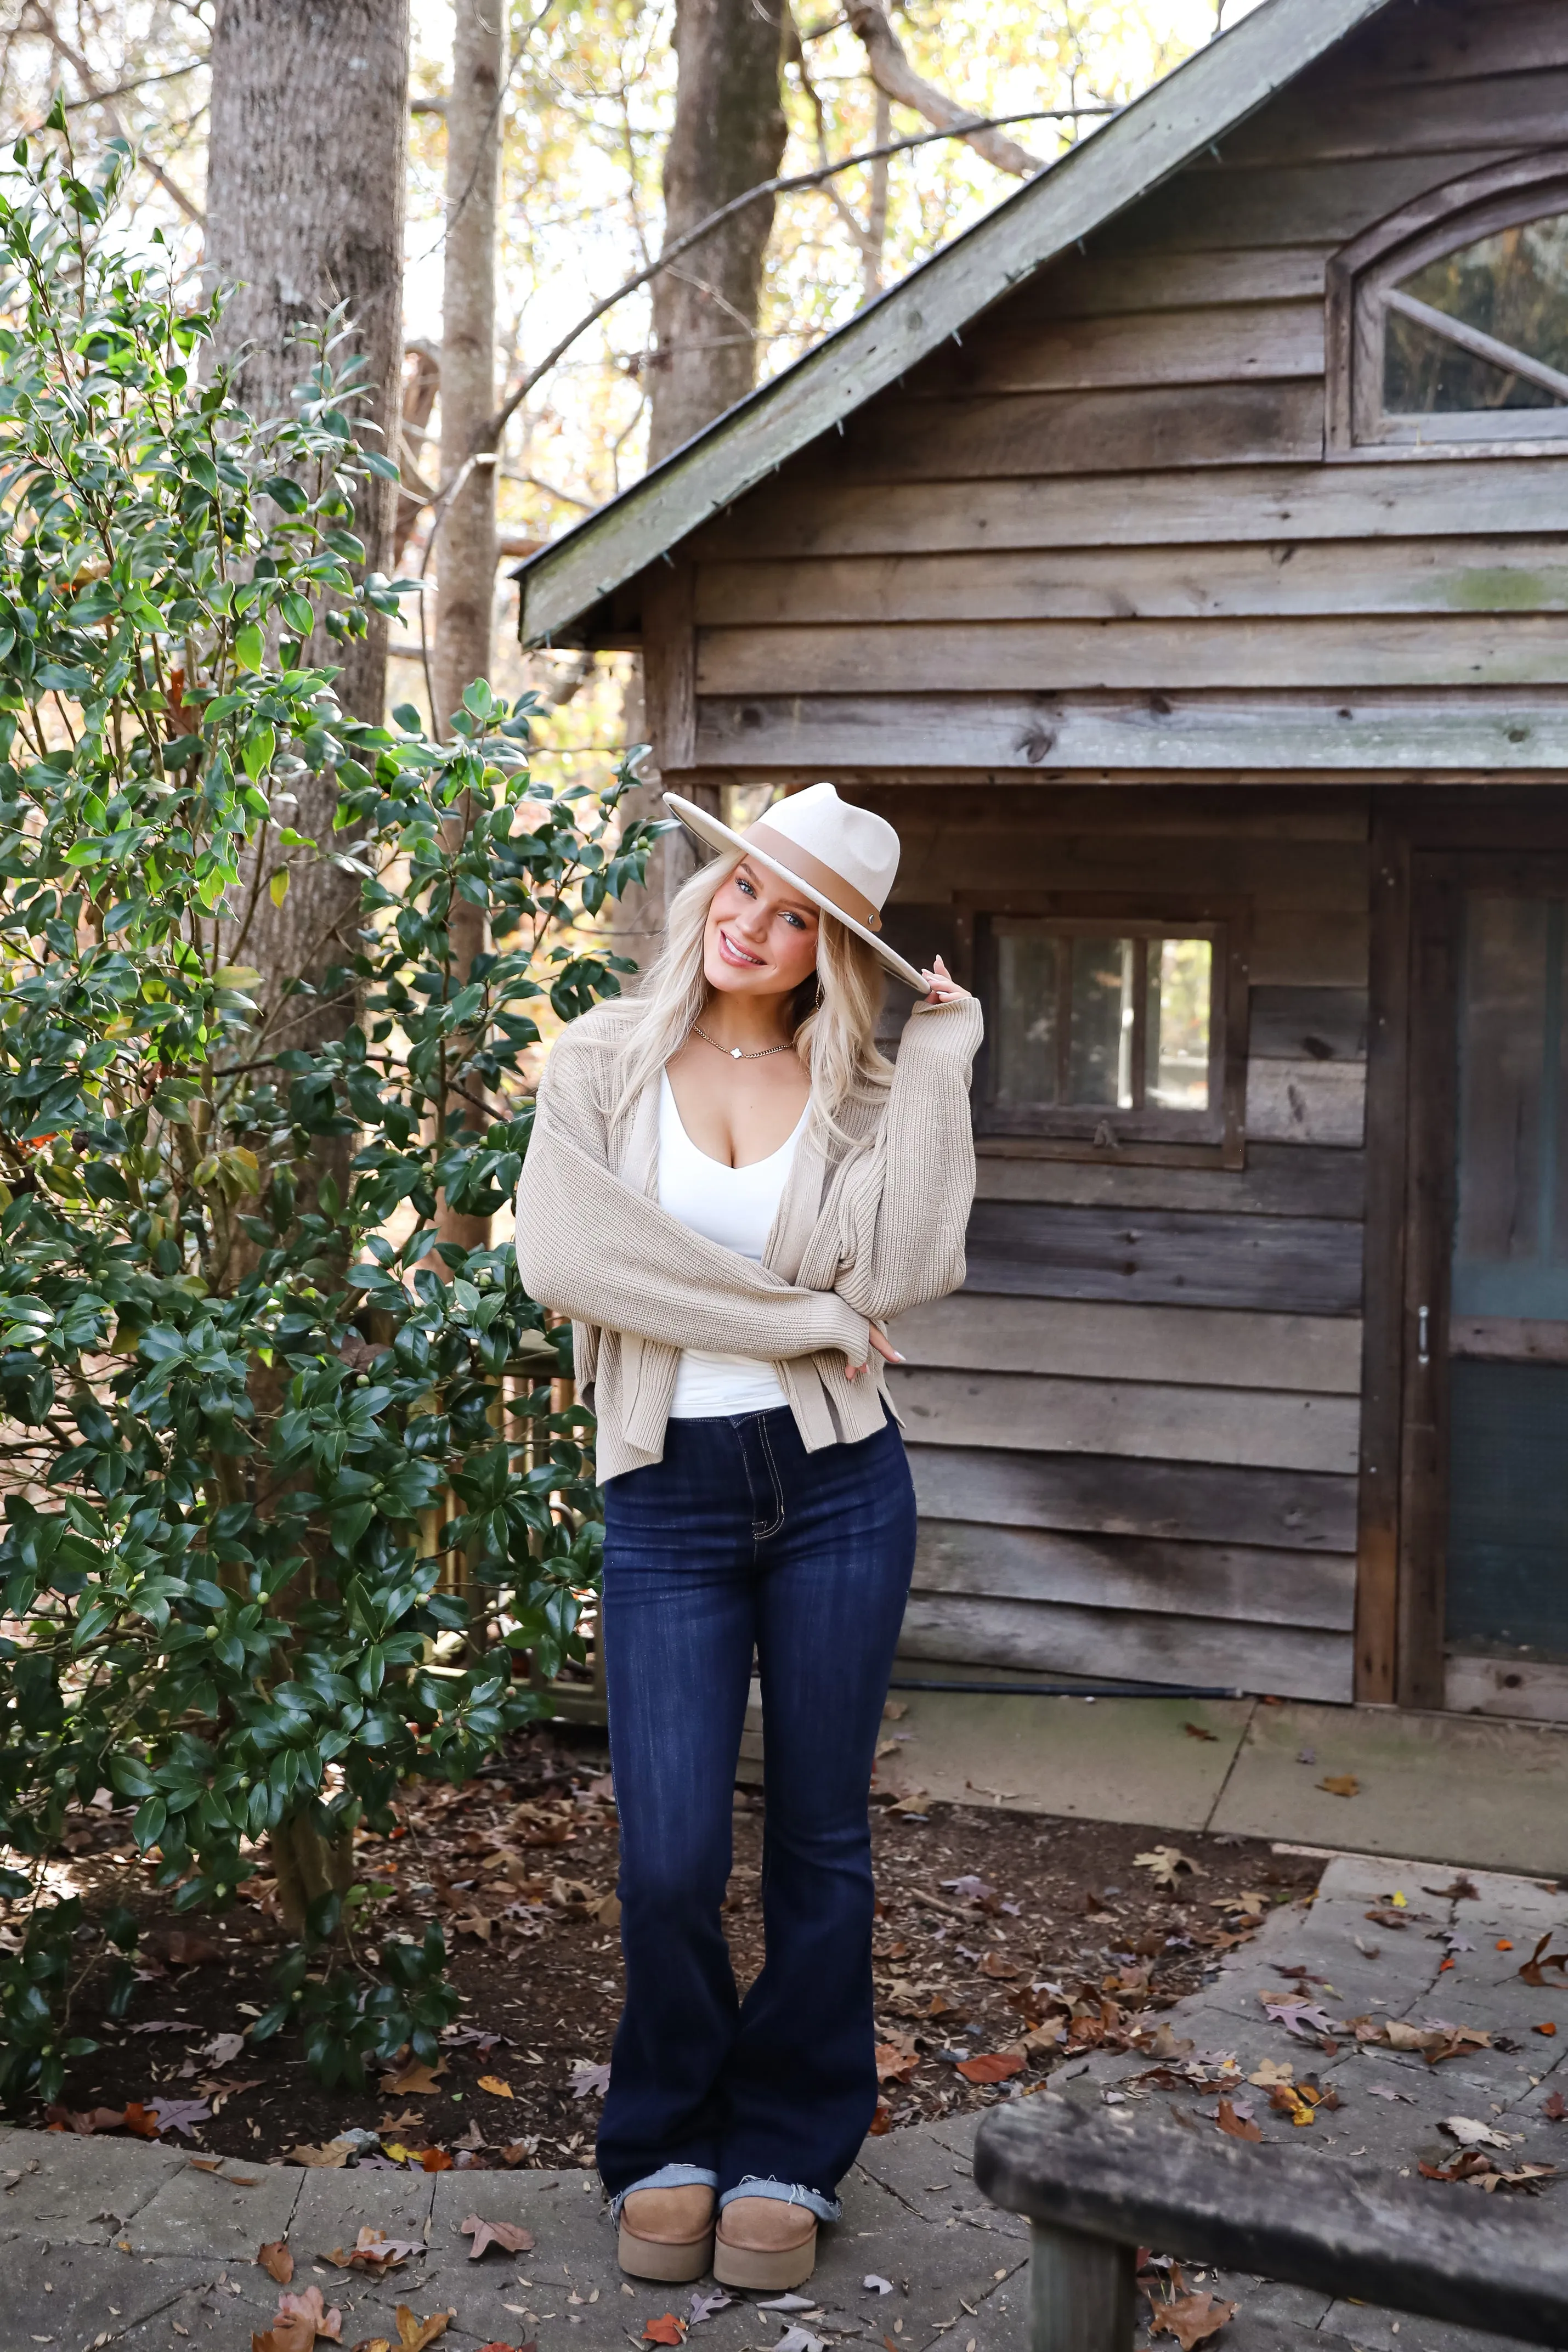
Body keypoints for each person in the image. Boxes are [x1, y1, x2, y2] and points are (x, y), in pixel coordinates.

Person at [515, 782, 982, 2292]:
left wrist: (942, 1062)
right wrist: (802, 1321)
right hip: (668, 1494)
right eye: (743, 887)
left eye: (798, 915)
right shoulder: (598, 1060)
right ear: (708, 888)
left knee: (821, 1844)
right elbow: (571, 1262)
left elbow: (911, 1266)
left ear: (831, 949)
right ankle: (667, 2133)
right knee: (667, 1853)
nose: (754, 923)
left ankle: (787, 2143)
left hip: (839, 1489)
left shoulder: (855, 1087)